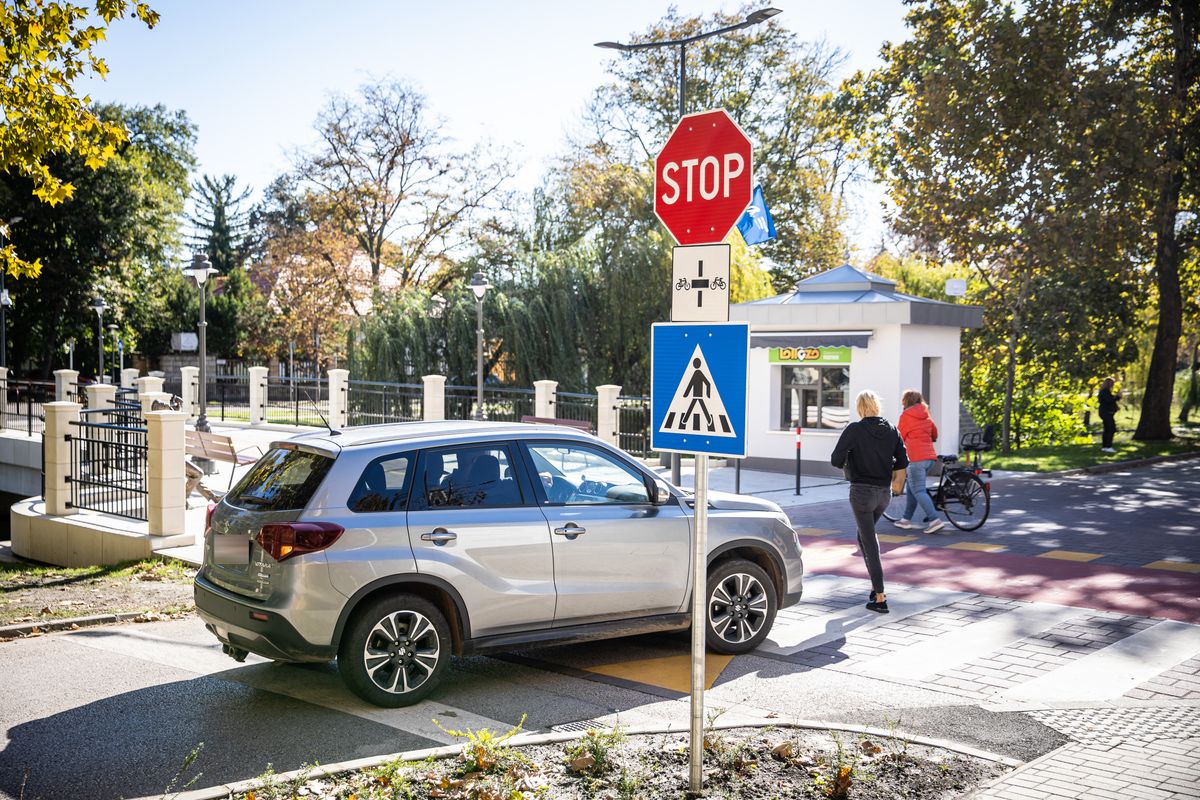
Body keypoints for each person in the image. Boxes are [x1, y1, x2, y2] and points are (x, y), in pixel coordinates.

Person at [831, 390, 909, 614]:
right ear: (877, 406)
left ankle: (880, 597)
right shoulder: (892, 429)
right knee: (863, 536)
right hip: (884, 494)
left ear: (860, 408)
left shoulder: (855, 429)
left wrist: (853, 457)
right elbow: (903, 460)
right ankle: (875, 590)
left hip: (861, 494)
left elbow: (836, 460)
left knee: (870, 541)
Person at [894, 390, 945, 534]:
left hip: (915, 458)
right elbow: (934, 433)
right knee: (912, 488)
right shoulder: (926, 414)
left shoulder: (905, 416)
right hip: (929, 459)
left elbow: (899, 437)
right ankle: (906, 520)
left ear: (905, 402)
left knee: (918, 490)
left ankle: (934, 520)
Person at [1098, 377, 1120, 453]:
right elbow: (1109, 401)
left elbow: (1111, 400)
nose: (1113, 385)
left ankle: (1105, 446)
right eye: (1112, 383)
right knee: (1111, 429)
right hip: (1106, 413)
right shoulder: (1104, 392)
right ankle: (1108, 446)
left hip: (1106, 412)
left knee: (1107, 429)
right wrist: (1117, 397)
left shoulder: (1106, 391)